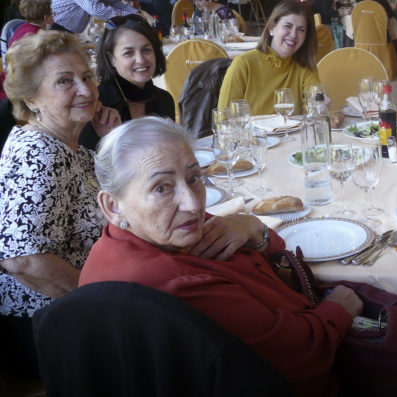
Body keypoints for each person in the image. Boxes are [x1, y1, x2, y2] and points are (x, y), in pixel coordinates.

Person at [79, 116, 365, 396]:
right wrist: (339, 309)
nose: (192, 204)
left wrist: (254, 228)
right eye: (162, 188)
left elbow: (276, 251)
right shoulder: (173, 282)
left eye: (194, 178)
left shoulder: (150, 232)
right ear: (113, 206)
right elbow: (300, 355)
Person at [0, 31, 121, 378]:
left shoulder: (69, 146)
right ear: (31, 98)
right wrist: (103, 303)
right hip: (49, 326)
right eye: (65, 81)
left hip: (76, 308)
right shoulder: (39, 154)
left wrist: (110, 139)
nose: (85, 90)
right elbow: (22, 260)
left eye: (87, 77)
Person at [78, 14, 174, 150]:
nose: (140, 60)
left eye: (146, 50)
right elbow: (88, 161)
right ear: (111, 59)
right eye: (128, 53)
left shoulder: (164, 100)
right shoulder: (95, 107)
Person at [218, 0, 319, 115]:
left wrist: (320, 107)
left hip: (294, 128)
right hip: (249, 128)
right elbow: (225, 116)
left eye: (301, 30)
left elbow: (313, 111)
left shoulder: (305, 66)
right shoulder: (243, 64)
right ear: (271, 28)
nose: (293, 35)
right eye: (288, 26)